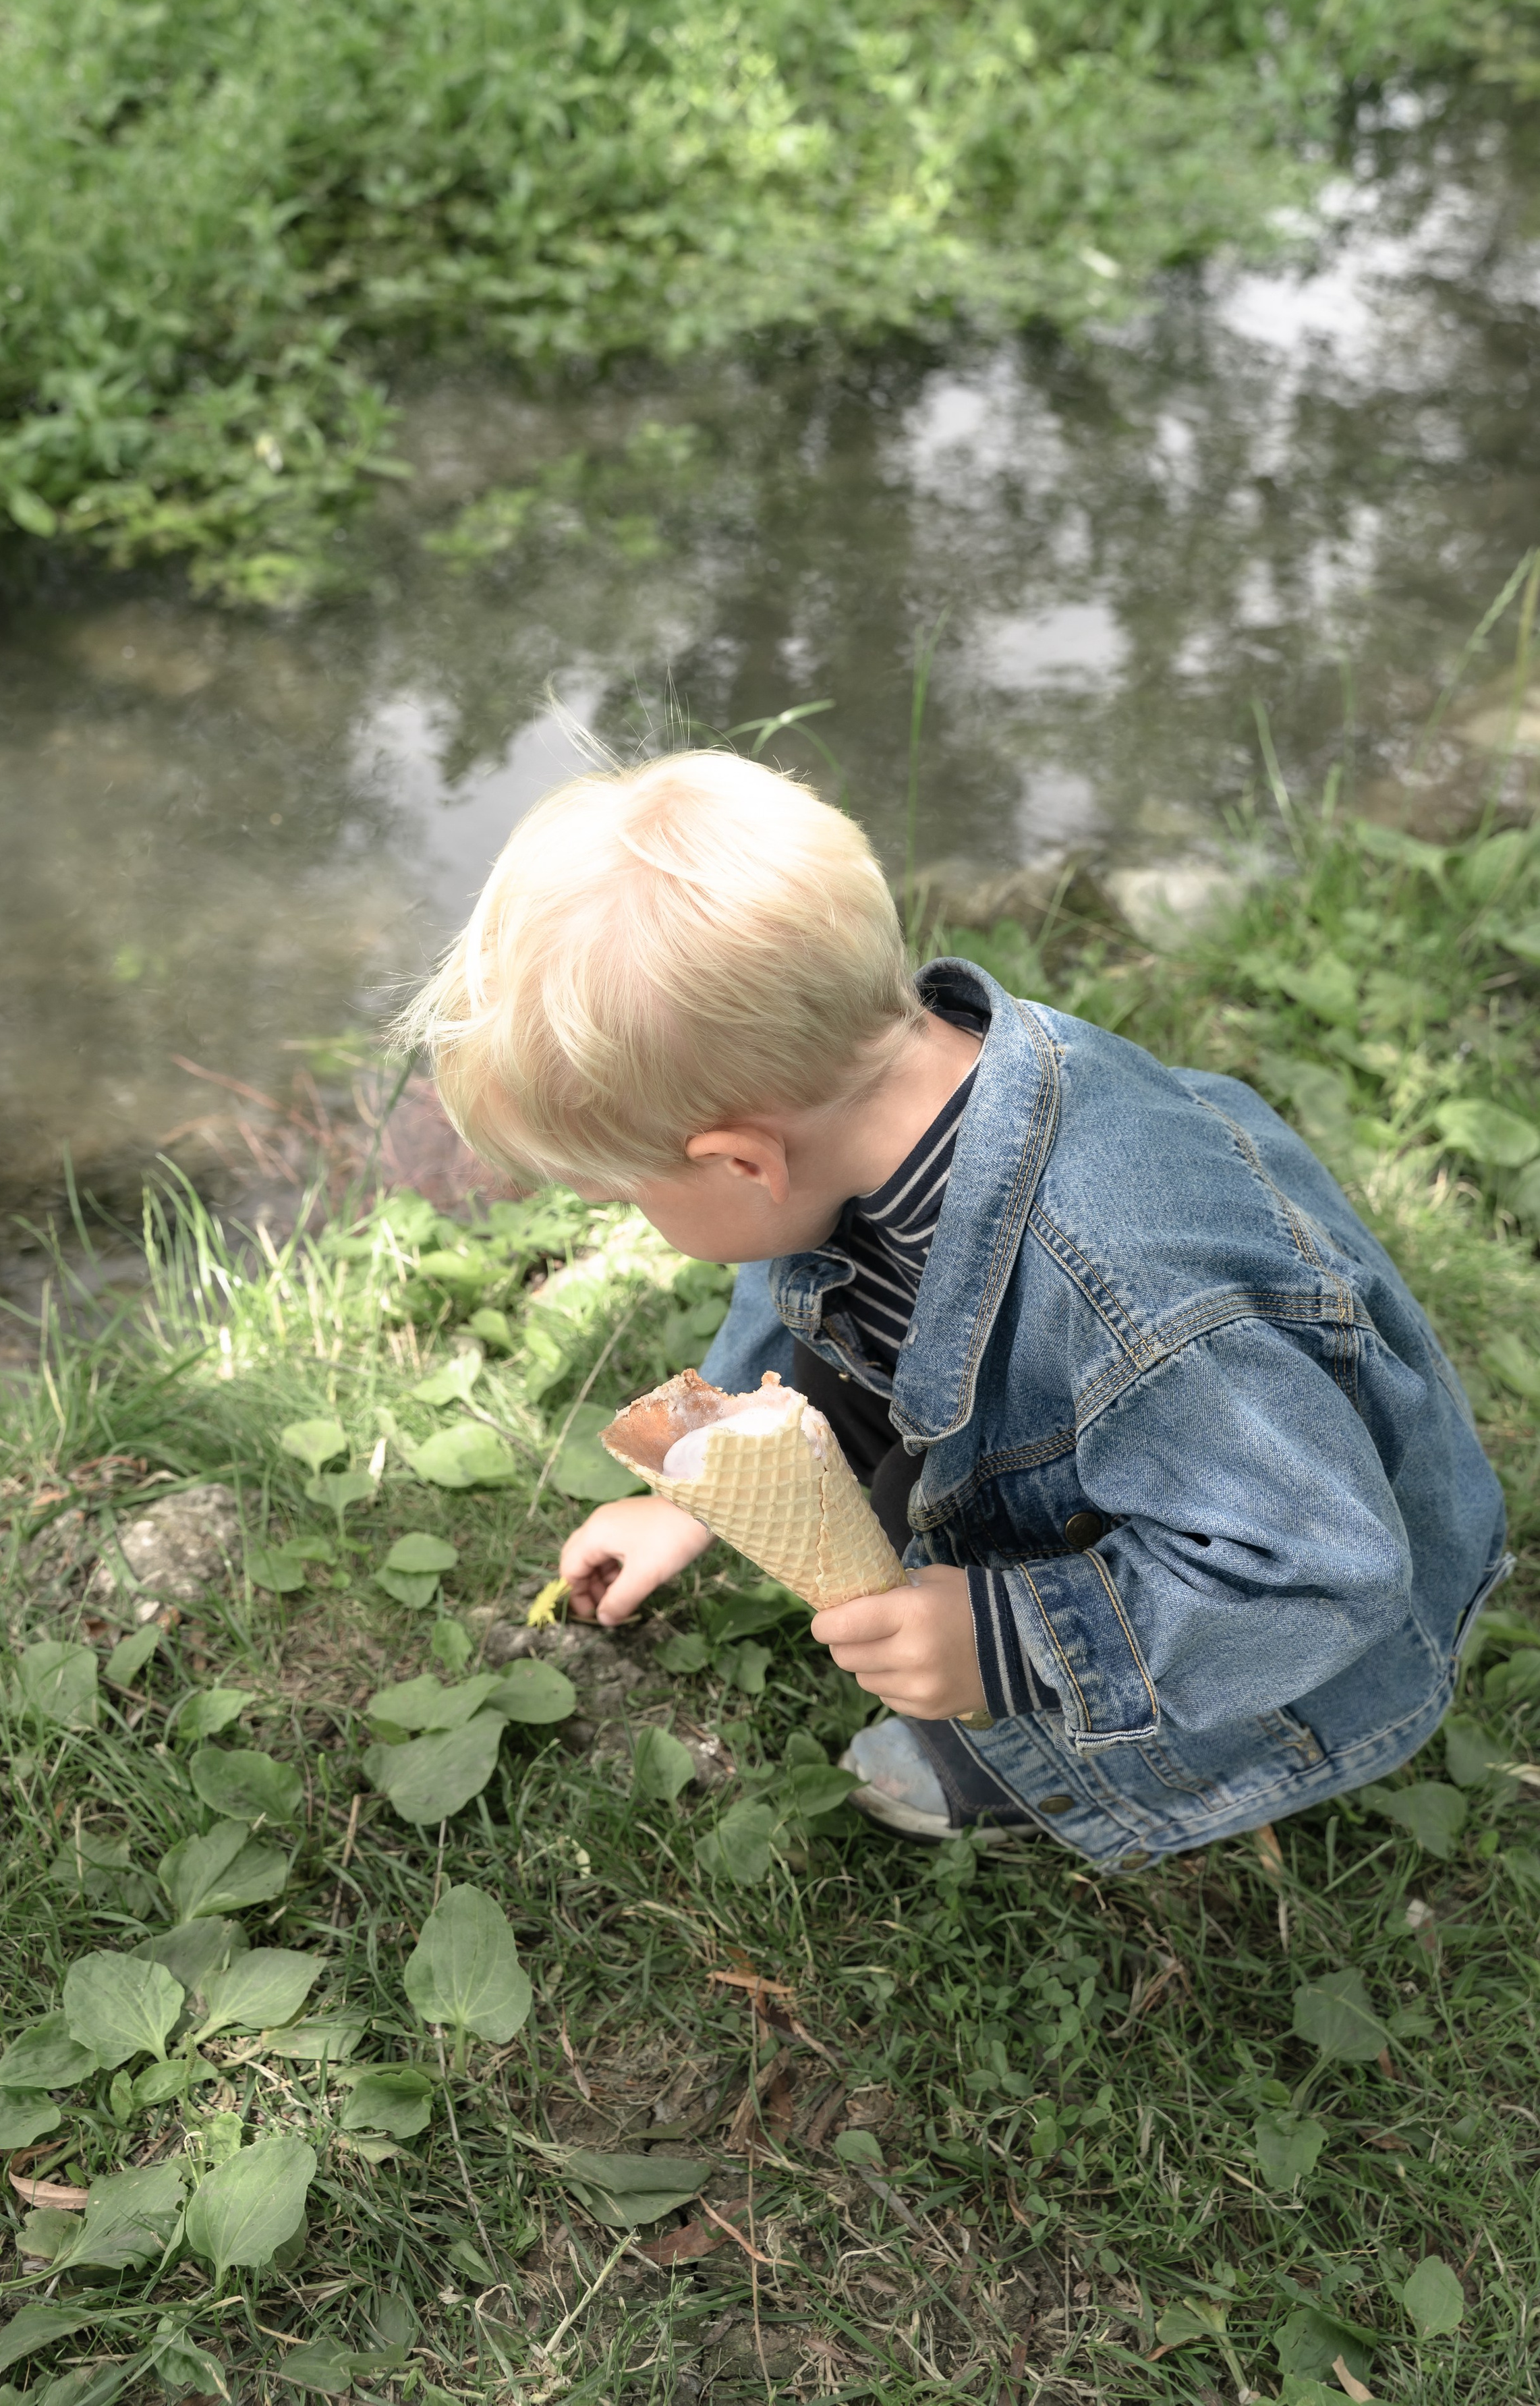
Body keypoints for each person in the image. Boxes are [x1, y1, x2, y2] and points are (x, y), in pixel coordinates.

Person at [395, 751, 1508, 1864]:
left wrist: (1007, 1644)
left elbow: (1320, 1569)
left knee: (964, 1654)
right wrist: (700, 1492)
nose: (634, 1217)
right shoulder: (880, 1101)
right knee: (847, 1385)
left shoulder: (1144, 1306)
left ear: (741, 1164)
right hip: (1098, 1429)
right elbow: (790, 1284)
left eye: (631, 1193)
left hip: (1281, 1630)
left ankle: (1003, 1762)